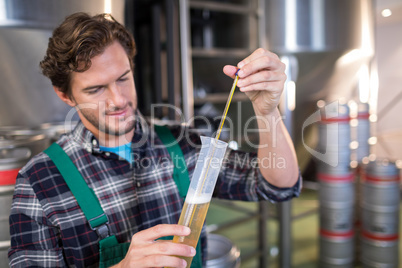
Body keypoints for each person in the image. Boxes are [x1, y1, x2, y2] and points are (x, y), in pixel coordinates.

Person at [8, 12, 301, 268]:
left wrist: (267, 112)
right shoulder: (38, 183)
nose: (118, 100)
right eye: (96, 89)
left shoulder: (181, 144)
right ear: (65, 94)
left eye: (123, 78)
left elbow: (277, 185)